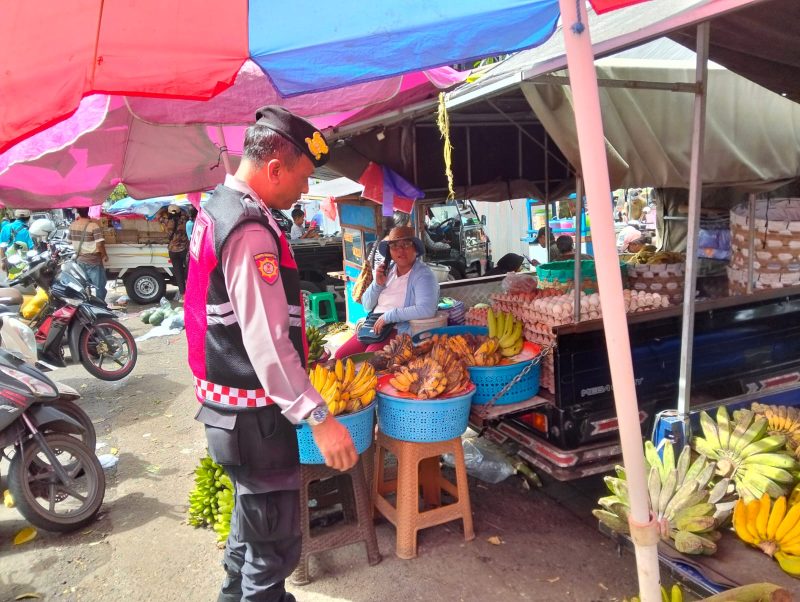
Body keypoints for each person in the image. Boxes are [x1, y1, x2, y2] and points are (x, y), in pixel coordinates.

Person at [184, 105, 357, 602]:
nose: (304, 190)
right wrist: (319, 417)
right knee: (272, 553)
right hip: (254, 421)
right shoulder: (249, 229)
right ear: (275, 168)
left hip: (229, 414)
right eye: (302, 178)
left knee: (249, 539)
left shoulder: (218, 207)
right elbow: (266, 341)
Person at [334, 226, 439, 359]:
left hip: (397, 329)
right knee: (340, 356)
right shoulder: (387, 270)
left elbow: (427, 309)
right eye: (394, 246)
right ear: (389, 252)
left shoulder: (423, 275)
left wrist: (388, 316)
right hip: (373, 325)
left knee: (368, 362)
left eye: (406, 244)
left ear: (415, 249)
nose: (400, 250)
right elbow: (366, 305)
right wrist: (377, 284)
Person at [68, 207, 108, 301]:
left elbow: (69, 241)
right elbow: (99, 244)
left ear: (78, 212)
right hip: (93, 260)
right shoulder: (93, 226)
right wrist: (104, 255)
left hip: (80, 260)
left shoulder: (72, 225)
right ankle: (101, 304)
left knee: (84, 285)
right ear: (88, 211)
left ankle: (87, 303)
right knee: (99, 286)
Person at [158, 204, 189, 301]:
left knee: (178, 273)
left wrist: (163, 208)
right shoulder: (184, 220)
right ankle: (191, 290)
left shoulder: (167, 221)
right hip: (184, 249)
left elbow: (158, 217)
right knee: (188, 271)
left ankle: (183, 295)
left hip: (173, 250)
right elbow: (187, 213)